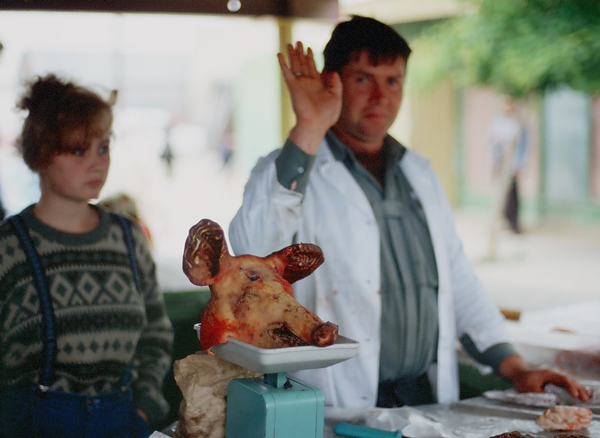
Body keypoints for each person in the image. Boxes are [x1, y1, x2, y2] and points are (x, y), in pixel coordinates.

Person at [229, 16, 591, 409]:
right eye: (364, 79)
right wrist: (310, 129)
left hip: (424, 396)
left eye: (393, 80)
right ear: (331, 81)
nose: (381, 97)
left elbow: (457, 281)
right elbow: (253, 256)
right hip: (336, 398)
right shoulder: (288, 170)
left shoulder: (420, 174)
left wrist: (516, 368)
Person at [0, 74, 174, 438]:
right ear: (40, 155)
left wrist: (145, 406)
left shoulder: (128, 238)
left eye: (103, 148)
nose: (96, 163)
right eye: (78, 150)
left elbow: (154, 333)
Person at [486, 96, 528, 235]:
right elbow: (491, 141)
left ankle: (513, 222)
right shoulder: (498, 122)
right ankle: (502, 220)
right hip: (500, 162)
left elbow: (523, 145)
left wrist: (519, 164)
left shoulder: (518, 123)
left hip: (512, 164)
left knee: (512, 193)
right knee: (499, 192)